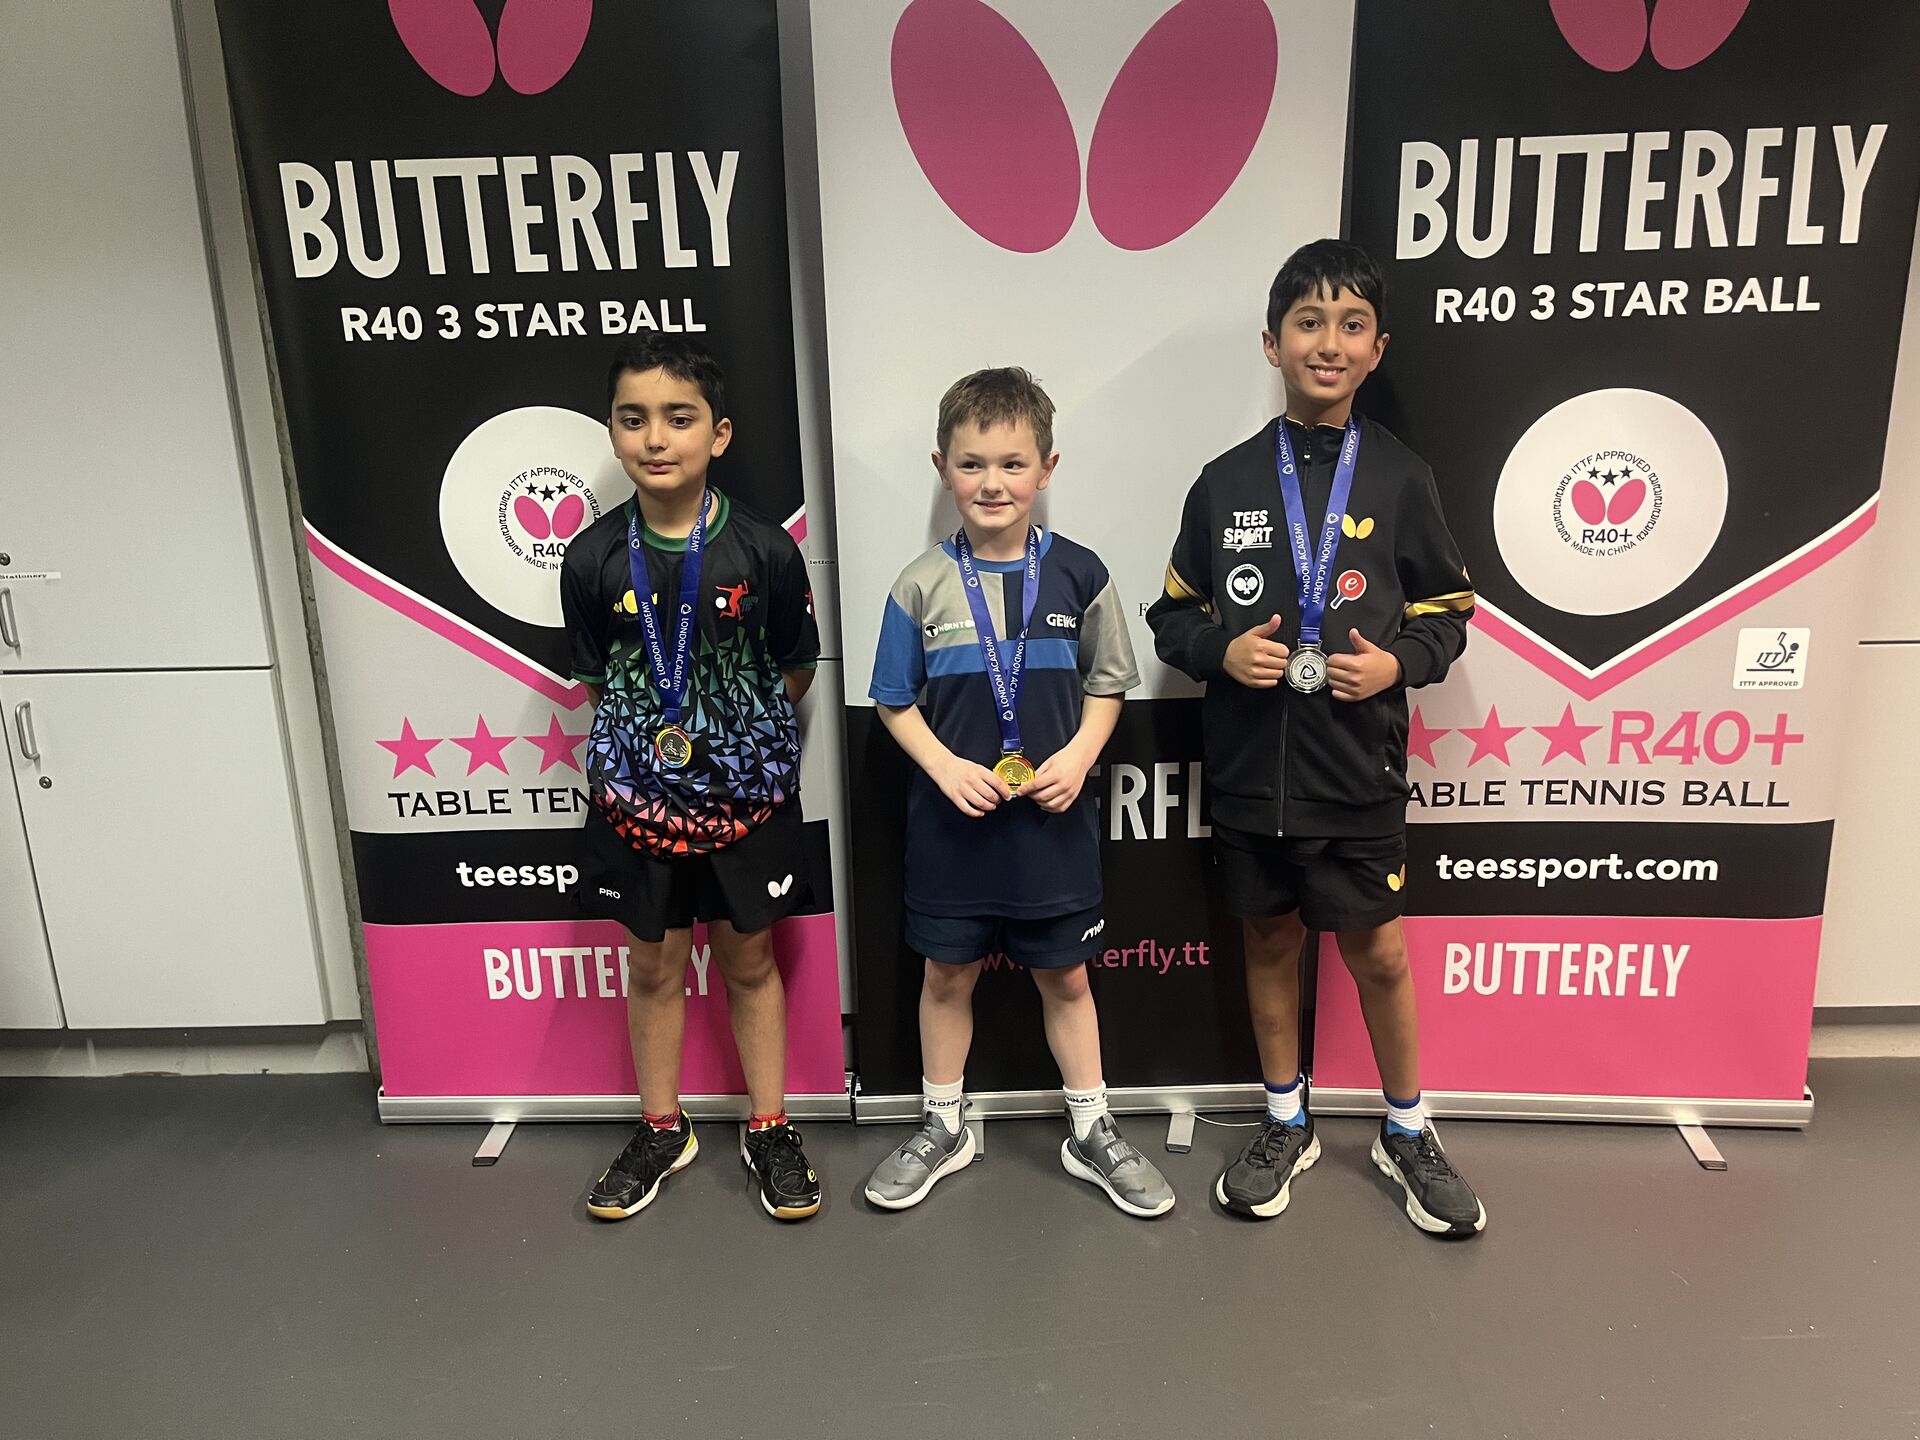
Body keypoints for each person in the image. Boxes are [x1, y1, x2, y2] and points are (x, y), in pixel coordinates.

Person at [1146, 239, 1486, 1237]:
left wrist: (1397, 665)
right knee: (1270, 940)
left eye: (1350, 325)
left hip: (1358, 771)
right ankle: (1284, 1119)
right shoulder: (1224, 483)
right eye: (1308, 323)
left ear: (1378, 349)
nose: (1328, 342)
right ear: (1272, 343)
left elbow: (1449, 612)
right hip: (1253, 774)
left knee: (1378, 951)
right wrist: (1218, 651)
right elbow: (1171, 616)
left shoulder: (1402, 478)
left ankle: (1407, 1128)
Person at [861, 367, 1175, 1218]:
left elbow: (1109, 683)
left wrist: (1079, 755)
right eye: (971, 464)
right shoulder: (919, 582)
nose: (991, 483)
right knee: (946, 977)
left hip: (1052, 828)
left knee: (1066, 979)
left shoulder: (1080, 574)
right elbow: (892, 700)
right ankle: (943, 1126)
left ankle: (1092, 1129)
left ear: (1047, 468)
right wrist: (943, 766)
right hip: (951, 828)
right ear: (942, 469)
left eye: (1011, 463)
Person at [562, 334, 823, 1222]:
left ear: (719, 434)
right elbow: (598, 683)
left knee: (749, 960)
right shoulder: (591, 557)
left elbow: (795, 670)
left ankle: (769, 1127)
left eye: (679, 418)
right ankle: (662, 1128)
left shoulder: (765, 551)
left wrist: (726, 740)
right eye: (633, 419)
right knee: (653, 964)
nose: (656, 438)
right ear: (612, 431)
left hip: (745, 801)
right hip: (638, 802)